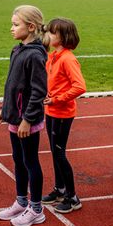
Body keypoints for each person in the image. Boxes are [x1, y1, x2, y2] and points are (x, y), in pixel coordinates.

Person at [0, 5, 48, 226]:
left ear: (31, 27)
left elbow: (38, 91)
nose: (11, 28)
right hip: (15, 117)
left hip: (27, 121)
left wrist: (27, 119)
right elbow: (12, 85)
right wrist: (5, 108)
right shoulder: (17, 50)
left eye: (15, 25)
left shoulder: (35, 56)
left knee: (30, 161)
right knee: (18, 160)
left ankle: (36, 208)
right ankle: (20, 201)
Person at [40, 18, 86, 214]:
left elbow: (80, 86)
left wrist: (57, 99)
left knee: (59, 154)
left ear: (64, 37)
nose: (48, 35)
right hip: (50, 111)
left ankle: (72, 196)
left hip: (62, 113)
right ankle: (59, 189)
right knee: (54, 152)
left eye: (52, 32)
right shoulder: (52, 56)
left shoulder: (68, 58)